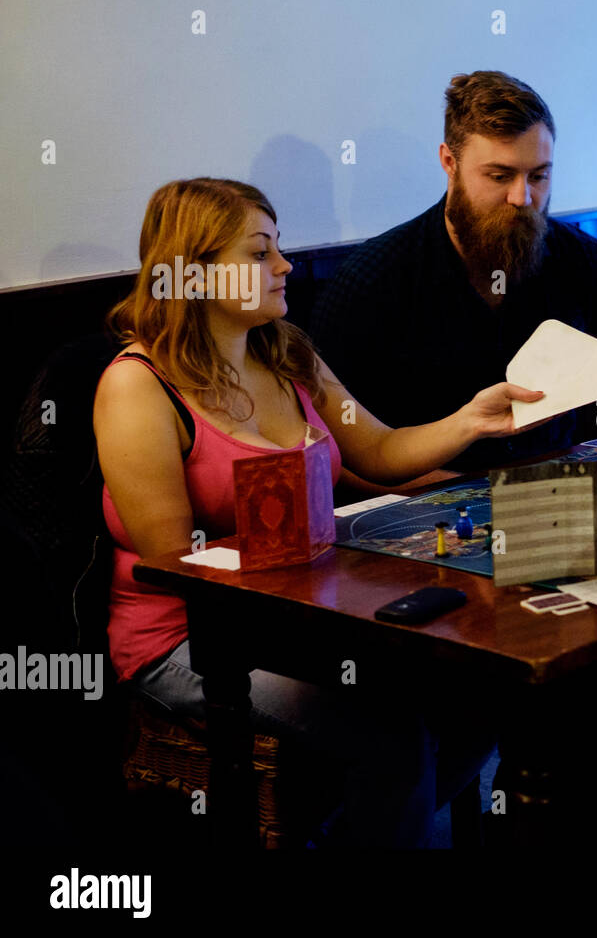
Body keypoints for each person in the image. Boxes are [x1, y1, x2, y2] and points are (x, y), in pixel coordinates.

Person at [94, 177, 544, 846]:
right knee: (390, 736)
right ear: (192, 273)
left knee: (477, 692)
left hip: (304, 615)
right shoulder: (137, 386)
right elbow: (176, 565)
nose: (285, 267)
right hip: (188, 640)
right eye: (259, 253)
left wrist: (469, 422)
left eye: (280, 248)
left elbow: (381, 450)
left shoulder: (289, 353)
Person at [310, 70, 597, 479]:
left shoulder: (582, 259)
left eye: (539, 175)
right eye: (500, 176)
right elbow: (341, 450)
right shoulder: (374, 279)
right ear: (449, 163)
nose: (522, 198)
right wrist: (480, 498)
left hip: (561, 487)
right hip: (428, 503)